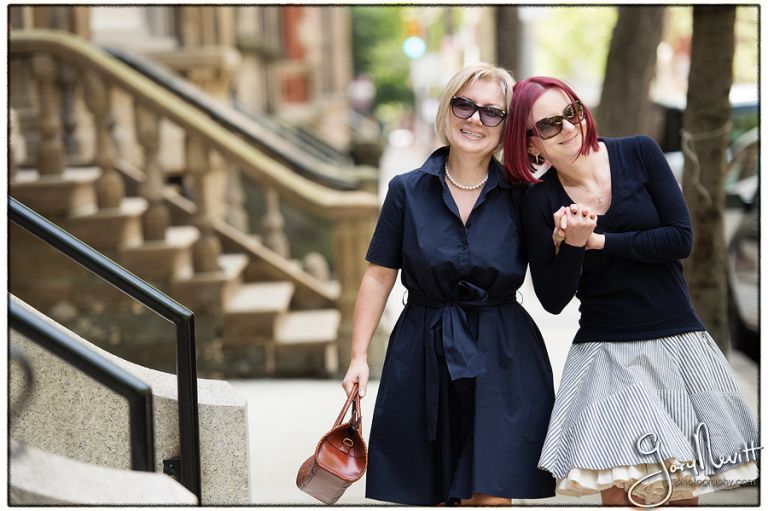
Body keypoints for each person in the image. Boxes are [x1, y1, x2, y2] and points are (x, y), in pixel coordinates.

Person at [504, 76, 759, 506]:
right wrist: (570, 247)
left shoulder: (639, 152)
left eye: (572, 112)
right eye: (548, 125)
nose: (568, 127)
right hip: (607, 353)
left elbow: (680, 239)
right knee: (626, 496)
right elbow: (552, 299)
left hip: (677, 345)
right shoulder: (538, 201)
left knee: (677, 495)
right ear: (531, 146)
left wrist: (597, 240)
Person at [341, 63, 556, 506]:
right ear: (447, 109)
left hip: (503, 357)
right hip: (422, 352)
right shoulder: (406, 190)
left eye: (492, 113)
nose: (475, 119)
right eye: (465, 105)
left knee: (492, 492)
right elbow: (379, 275)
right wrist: (359, 356)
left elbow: (554, 282)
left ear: (505, 127)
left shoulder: (523, 194)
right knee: (430, 491)